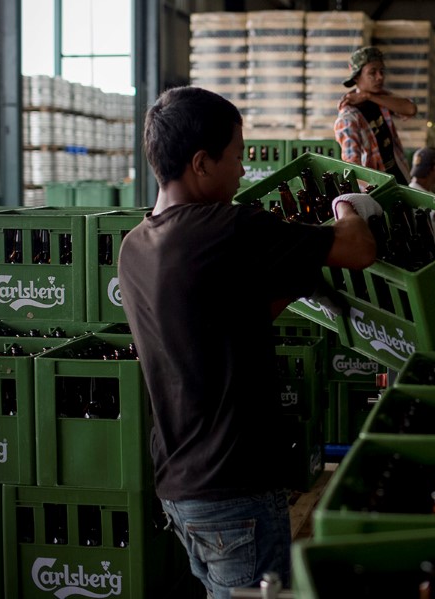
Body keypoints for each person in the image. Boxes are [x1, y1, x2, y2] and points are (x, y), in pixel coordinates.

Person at [117, 85, 378, 596]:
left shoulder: (135, 248)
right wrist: (348, 205)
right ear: (201, 163)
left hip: (181, 488)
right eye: (236, 157)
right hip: (235, 490)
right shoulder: (226, 227)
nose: (241, 171)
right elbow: (359, 249)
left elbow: (227, 320)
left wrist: (296, 273)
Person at [334, 46, 417, 186]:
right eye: (372, 73)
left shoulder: (380, 99)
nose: (380, 77)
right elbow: (353, 165)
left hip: (399, 179)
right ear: (356, 77)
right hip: (377, 189)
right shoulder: (349, 117)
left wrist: (368, 96)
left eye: (381, 71)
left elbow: (410, 109)